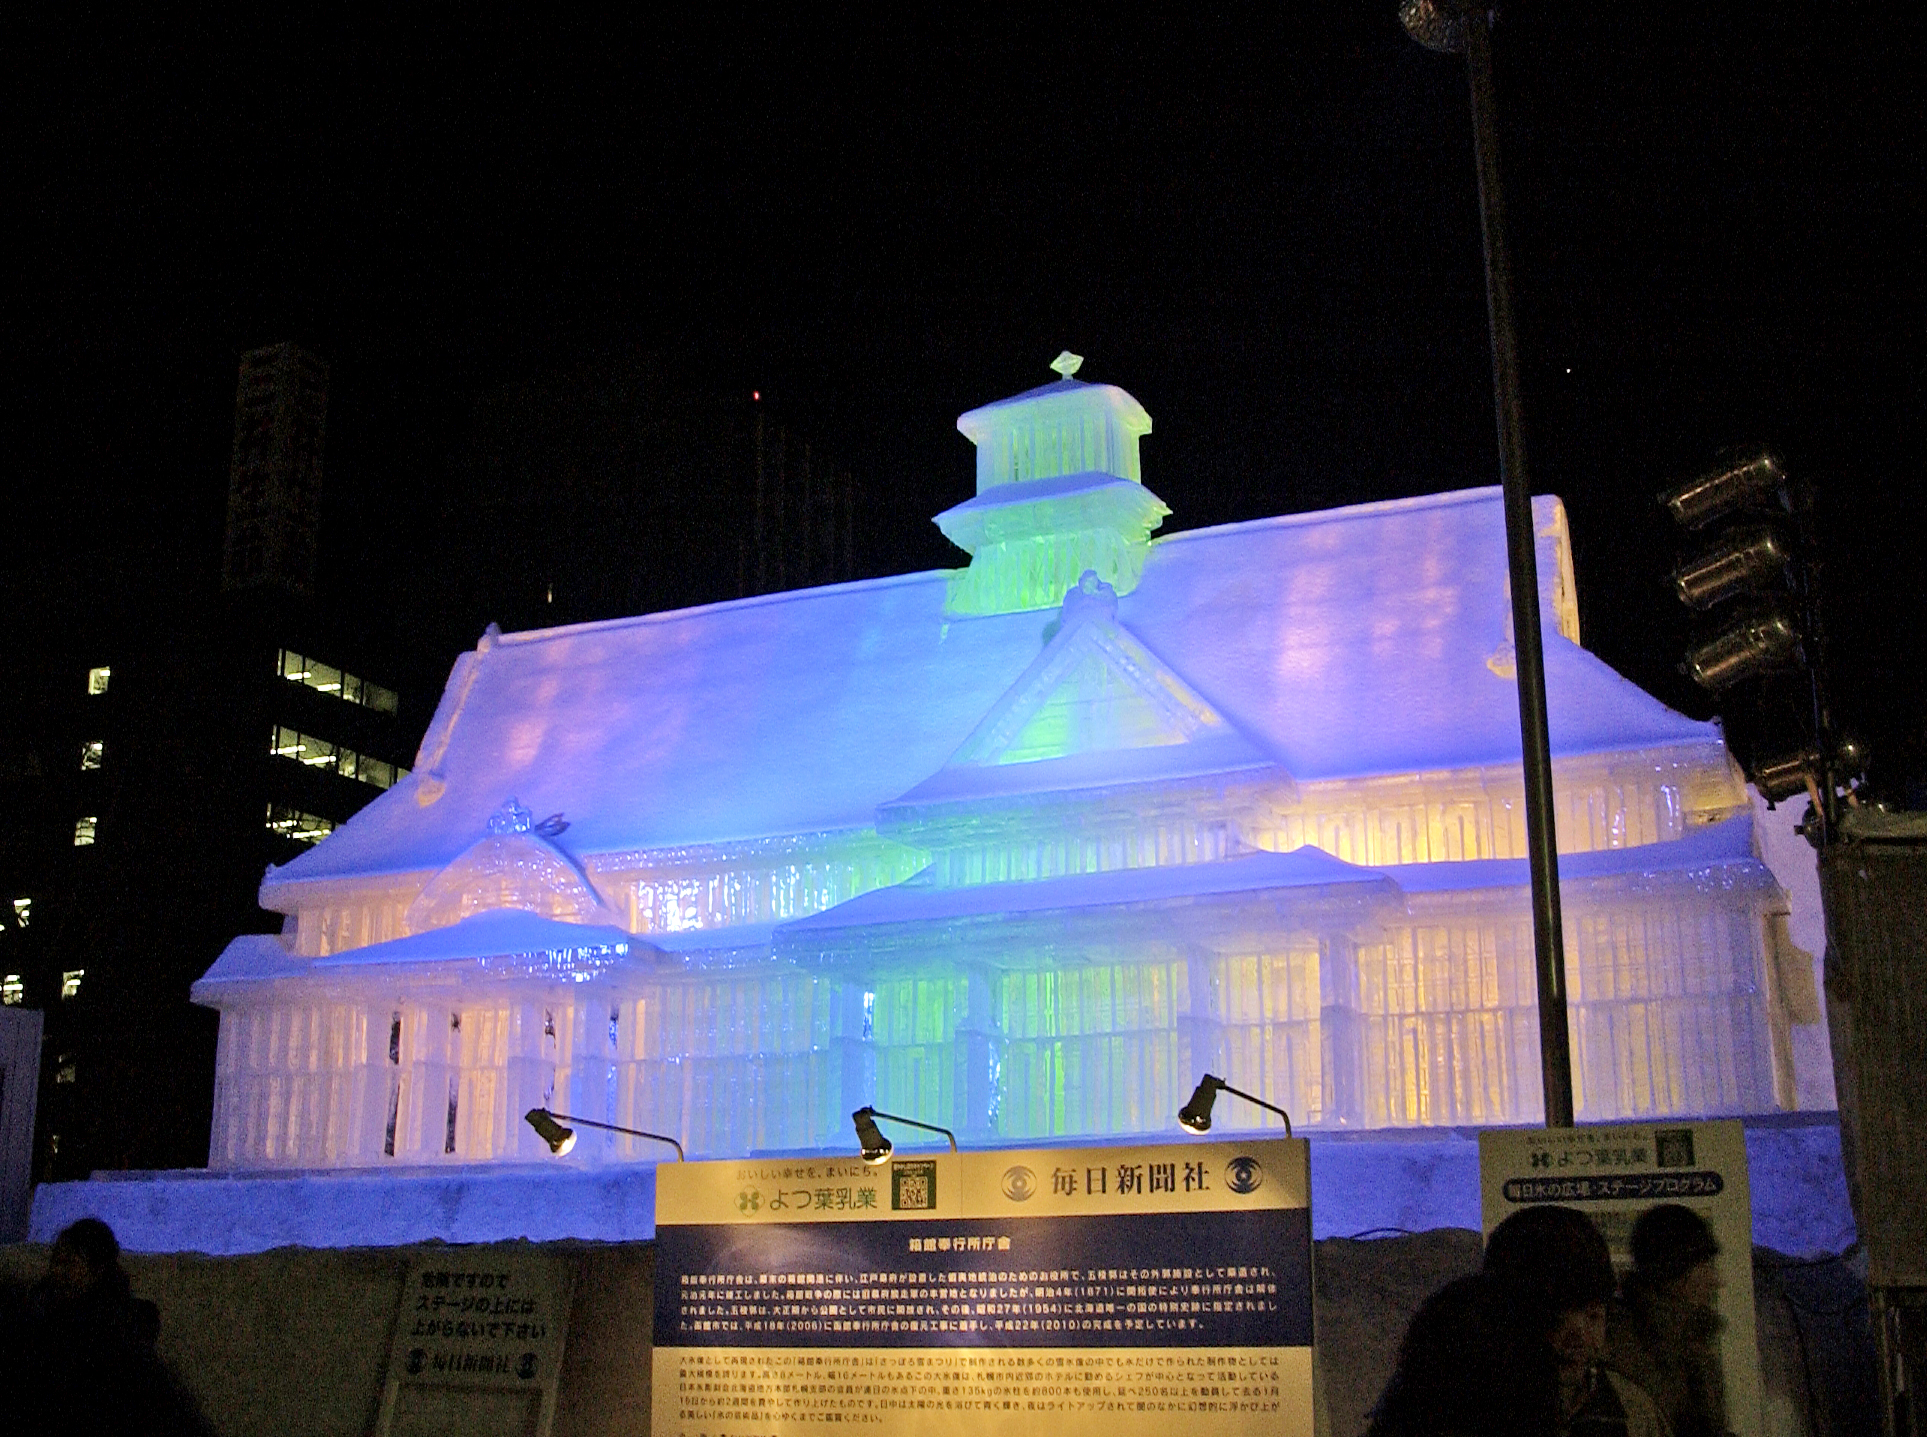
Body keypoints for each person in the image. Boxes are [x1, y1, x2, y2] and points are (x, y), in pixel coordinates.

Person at [1368, 1205, 1671, 1437]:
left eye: (1593, 1315)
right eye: (1555, 1317)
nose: (1576, 1336)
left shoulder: (1630, 1408)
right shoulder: (1464, 1402)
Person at [7, 1217, 208, 1436]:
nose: (58, 1272)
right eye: (56, 1262)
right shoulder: (36, 1309)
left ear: (98, 1269)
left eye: (70, 1264)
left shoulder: (131, 1319)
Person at [1607, 1204, 1730, 1437]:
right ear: (1673, 1272)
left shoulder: (1693, 1343)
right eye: (1703, 1266)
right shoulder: (1621, 1347)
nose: (1715, 1280)